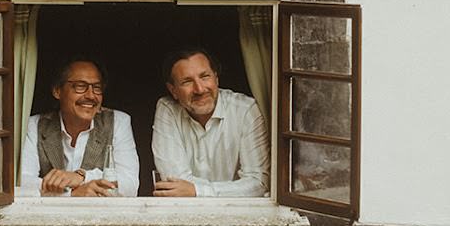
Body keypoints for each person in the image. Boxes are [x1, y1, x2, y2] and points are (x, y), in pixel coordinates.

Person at [151, 46, 269, 197]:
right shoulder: (167, 109)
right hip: (186, 212)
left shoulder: (245, 110)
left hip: (236, 212)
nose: (199, 89)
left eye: (205, 76)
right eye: (187, 81)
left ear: (216, 78)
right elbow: (174, 182)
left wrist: (197, 191)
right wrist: (232, 190)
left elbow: (257, 182)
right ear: (173, 90)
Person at [19, 58, 139, 197]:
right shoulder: (35, 126)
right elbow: (22, 183)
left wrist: (82, 177)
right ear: (57, 91)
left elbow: (130, 185)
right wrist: (71, 194)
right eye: (80, 86)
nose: (90, 95)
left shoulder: (117, 122)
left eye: (97, 88)